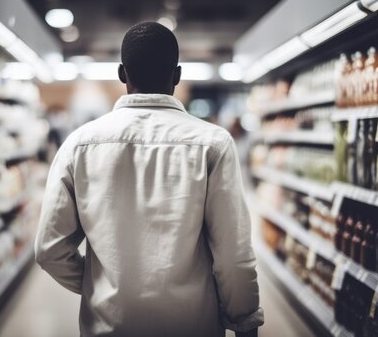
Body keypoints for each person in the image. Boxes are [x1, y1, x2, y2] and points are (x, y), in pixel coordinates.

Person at [35, 22, 264, 337]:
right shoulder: (213, 143)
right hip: (192, 324)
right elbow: (233, 252)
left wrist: (99, 286)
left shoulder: (79, 145)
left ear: (121, 73)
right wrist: (244, 320)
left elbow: (50, 249)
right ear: (178, 75)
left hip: (109, 326)